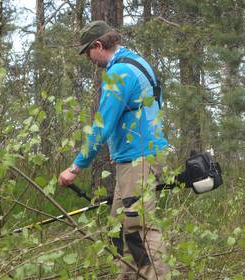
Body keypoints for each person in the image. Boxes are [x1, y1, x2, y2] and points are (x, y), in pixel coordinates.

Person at [58, 20, 170, 279]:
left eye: (88, 51)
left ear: (99, 45)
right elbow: (151, 105)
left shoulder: (119, 72)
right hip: (138, 155)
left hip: (137, 160)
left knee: (141, 228)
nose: (89, 58)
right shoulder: (138, 64)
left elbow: (102, 125)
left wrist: (76, 167)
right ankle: (129, 275)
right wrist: (120, 146)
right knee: (122, 227)